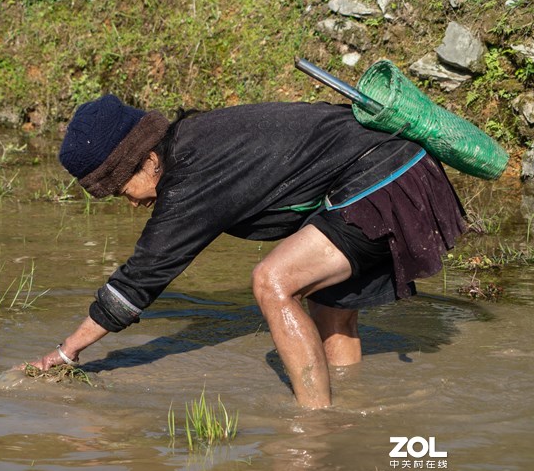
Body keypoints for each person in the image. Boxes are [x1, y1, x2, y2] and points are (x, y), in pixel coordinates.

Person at [24, 93, 466, 408]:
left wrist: (66, 353)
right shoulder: (195, 141)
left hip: (383, 182)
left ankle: (315, 431)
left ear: (146, 160)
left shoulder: (192, 174)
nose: (134, 202)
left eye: (123, 189)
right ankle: (348, 408)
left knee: (273, 282)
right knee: (328, 304)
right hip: (399, 168)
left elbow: (142, 277)